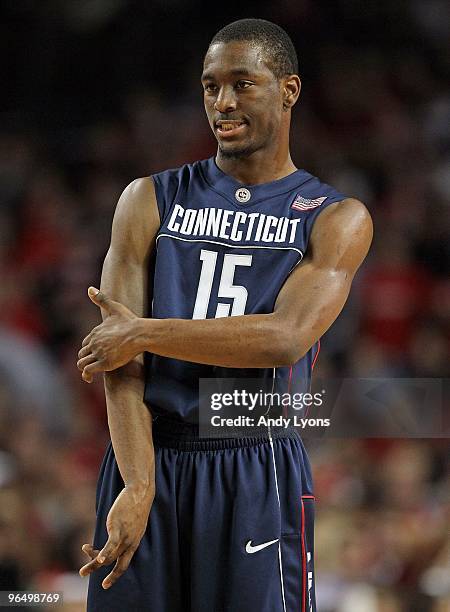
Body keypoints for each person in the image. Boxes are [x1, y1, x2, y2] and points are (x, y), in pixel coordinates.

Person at [76, 18, 372, 612]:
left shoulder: (334, 217)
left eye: (242, 84)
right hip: (148, 453)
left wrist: (144, 332)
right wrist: (137, 483)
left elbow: (284, 339)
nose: (222, 102)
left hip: (253, 456)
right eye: (211, 86)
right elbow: (117, 357)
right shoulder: (148, 198)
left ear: (288, 90)